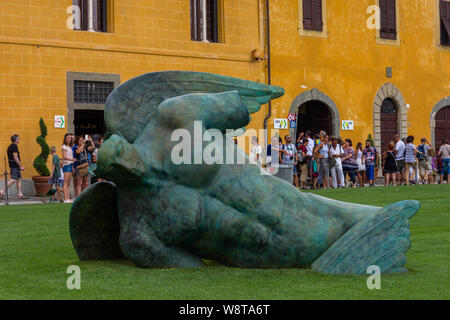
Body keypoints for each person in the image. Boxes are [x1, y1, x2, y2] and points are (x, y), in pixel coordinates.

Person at [0, 134, 28, 200]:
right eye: (18, 139)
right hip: (14, 166)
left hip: (13, 165)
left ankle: (20, 194)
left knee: (19, 179)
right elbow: (15, 157)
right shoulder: (14, 146)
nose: (19, 140)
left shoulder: (10, 146)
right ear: (15, 140)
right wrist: (20, 166)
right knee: (14, 179)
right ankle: (1, 191)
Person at [62, 133, 75, 203]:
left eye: (70, 138)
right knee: (65, 183)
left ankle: (67, 198)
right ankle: (65, 198)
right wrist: (72, 160)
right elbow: (64, 156)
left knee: (68, 183)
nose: (69, 139)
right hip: (66, 165)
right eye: (68, 138)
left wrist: (72, 164)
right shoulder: (64, 146)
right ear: (65, 138)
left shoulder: (69, 147)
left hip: (70, 165)